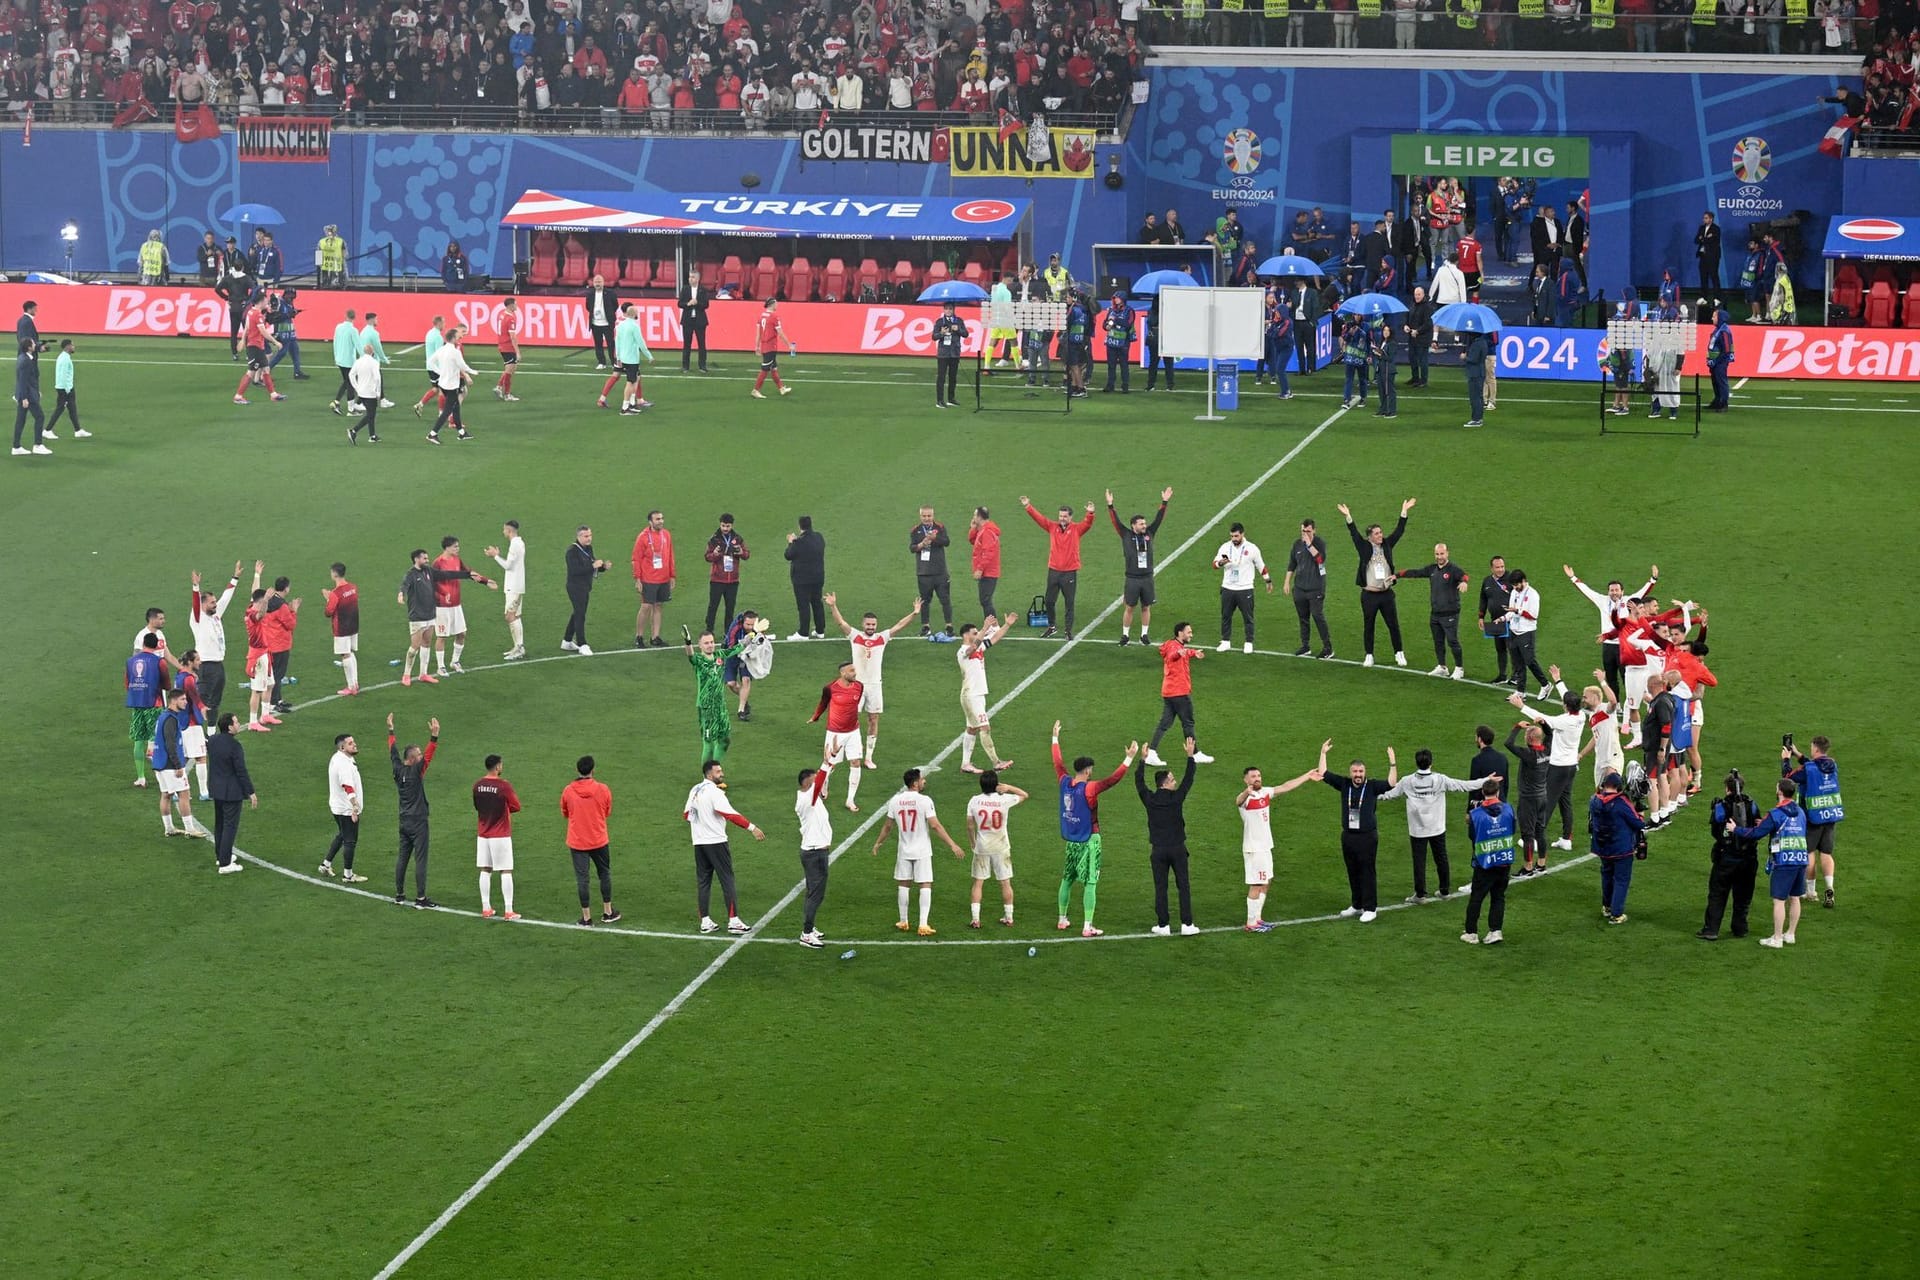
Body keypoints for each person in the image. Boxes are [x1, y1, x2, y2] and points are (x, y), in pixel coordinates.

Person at [1051, 722, 1136, 938]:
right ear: (1087, 770)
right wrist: (1129, 758)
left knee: (1067, 879)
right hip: (1089, 840)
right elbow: (1112, 780)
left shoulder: (1064, 782)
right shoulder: (1090, 788)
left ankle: (1062, 919)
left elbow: (1058, 763)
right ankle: (1087, 926)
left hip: (1071, 840)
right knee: (1090, 882)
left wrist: (1055, 738)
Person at [1381, 748, 1497, 903]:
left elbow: (1388, 794)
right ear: (1431, 763)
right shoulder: (1440, 780)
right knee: (1441, 858)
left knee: (1419, 861)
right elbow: (1464, 785)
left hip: (1417, 830)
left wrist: (1368, 793)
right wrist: (1485, 780)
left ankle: (1420, 895)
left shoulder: (1407, 781)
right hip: (1437, 828)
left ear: (1416, 763)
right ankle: (1444, 890)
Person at [825, 592, 920, 777]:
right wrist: (833, 606)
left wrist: (915, 613)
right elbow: (841, 623)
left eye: (873, 625)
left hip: (875, 685)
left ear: (876, 626)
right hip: (856, 686)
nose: (870, 627)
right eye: (868, 624)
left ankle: (868, 756)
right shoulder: (855, 636)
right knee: (848, 719)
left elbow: (899, 625)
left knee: (873, 719)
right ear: (863, 624)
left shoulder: (882, 638)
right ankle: (842, 751)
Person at [873, 767, 965, 936]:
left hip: (904, 849)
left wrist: (878, 842)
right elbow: (935, 825)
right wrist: (953, 845)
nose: (924, 781)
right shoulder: (925, 801)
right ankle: (923, 924)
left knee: (903, 884)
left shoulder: (895, 801)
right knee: (925, 884)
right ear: (915, 783)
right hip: (922, 850)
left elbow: (887, 826)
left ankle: (903, 921)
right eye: (922, 779)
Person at [1237, 760, 1324, 931]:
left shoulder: (1265, 793)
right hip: (1254, 849)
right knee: (1256, 884)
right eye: (1253, 776)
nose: (1257, 778)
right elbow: (1238, 801)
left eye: (1258, 775)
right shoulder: (1247, 798)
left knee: (1266, 881)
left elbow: (1285, 786)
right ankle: (1251, 923)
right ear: (1245, 780)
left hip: (1266, 846)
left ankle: (1258, 918)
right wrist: (1245, 793)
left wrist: (1307, 776)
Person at [1316, 738, 1398, 923]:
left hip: (1367, 836)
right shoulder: (1344, 784)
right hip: (1348, 835)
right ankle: (1357, 904)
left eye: (1360, 771)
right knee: (1352, 870)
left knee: (1367, 871)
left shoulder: (1372, 786)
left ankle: (1370, 908)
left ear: (1365, 772)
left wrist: (1392, 762)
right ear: (1350, 772)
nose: (1358, 774)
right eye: (1355, 771)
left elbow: (1391, 783)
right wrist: (1323, 753)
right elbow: (1323, 774)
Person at [1729, 778, 1811, 949]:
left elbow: (1755, 833)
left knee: (1779, 900)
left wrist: (1735, 829)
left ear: (1780, 791)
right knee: (1795, 898)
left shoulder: (1776, 813)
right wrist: (1767, 824)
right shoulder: (1801, 811)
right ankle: (1790, 934)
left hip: (1784, 861)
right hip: (1801, 858)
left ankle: (1777, 938)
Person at [1510, 679, 1585, 853]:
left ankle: (1535, 840)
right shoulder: (1581, 715)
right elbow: (1569, 699)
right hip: (1571, 765)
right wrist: (1558, 681)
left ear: (1566, 706)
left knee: (1548, 802)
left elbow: (1542, 718)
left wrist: (1521, 706)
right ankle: (1567, 839)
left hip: (1558, 767)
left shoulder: (1563, 721)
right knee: (1565, 801)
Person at [1338, 498, 1413, 667]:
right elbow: (1354, 534)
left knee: (1393, 625)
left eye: (1381, 532)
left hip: (1386, 594)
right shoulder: (1364, 547)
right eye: (1377, 534)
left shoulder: (1387, 545)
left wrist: (1404, 511)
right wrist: (1348, 516)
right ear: (1370, 537)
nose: (1381, 535)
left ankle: (1399, 653)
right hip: (1369, 595)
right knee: (1369, 625)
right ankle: (1369, 655)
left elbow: (1399, 531)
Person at [1136, 740, 1201, 936]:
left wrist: (1142, 761)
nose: (1175, 781)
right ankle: (1187, 925)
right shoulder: (1176, 798)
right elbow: (1189, 779)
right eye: (1172, 779)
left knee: (1160, 887)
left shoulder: (1150, 799)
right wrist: (1190, 757)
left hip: (1158, 850)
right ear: (1165, 783)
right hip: (1178, 849)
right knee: (1184, 886)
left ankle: (1163, 925)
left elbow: (1139, 782)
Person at [1143, 622, 1217, 767]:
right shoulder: (1174, 648)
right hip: (1179, 693)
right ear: (1180, 633)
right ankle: (1195, 753)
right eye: (1188, 632)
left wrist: (1193, 653)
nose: (1191, 635)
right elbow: (1172, 656)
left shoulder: (1174, 644)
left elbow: (1182, 652)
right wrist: (1178, 654)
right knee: (1188, 723)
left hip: (1169, 692)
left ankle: (1151, 753)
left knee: (1164, 724)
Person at [1698, 769, 1760, 941]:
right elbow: (1757, 825)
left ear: (1727, 788)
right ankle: (1740, 928)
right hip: (1748, 858)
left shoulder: (1721, 806)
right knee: (1743, 895)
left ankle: (1711, 929)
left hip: (1727, 858)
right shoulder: (1752, 804)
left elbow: (1715, 830)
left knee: (1718, 893)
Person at [1022, 496, 1095, 640]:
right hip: (1054, 571)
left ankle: (1068, 631)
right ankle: (1052, 626)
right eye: (1060, 516)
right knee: (1049, 601)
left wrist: (1090, 513)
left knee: (1069, 603)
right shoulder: (1052, 527)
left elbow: (1087, 524)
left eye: (1065, 516)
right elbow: (1039, 519)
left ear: (1070, 517)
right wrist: (1028, 506)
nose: (1062, 518)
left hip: (1069, 572)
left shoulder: (1076, 529)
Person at [387, 711, 440, 910]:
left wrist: (391, 730)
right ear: (411, 759)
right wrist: (434, 736)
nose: (420, 757)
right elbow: (429, 755)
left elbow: (392, 751)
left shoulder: (398, 769)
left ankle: (400, 895)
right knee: (420, 859)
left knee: (402, 857)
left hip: (404, 819)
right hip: (418, 821)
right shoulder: (417, 771)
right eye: (417, 755)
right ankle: (420, 898)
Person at [1783, 735, 1842, 908]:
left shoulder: (1809, 770)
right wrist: (1798, 755)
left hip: (1812, 816)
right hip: (1830, 813)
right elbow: (1815, 766)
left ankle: (1811, 891)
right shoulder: (1832, 765)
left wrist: (1786, 759)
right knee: (1826, 853)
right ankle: (1830, 887)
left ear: (1815, 748)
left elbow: (1788, 776)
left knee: (1809, 853)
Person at [428, 535, 499, 677]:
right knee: (442, 636)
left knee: (462, 633)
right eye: (455, 546)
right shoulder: (438, 563)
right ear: (447, 548)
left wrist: (486, 581)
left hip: (456, 604)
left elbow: (469, 573)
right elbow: (431, 583)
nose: (458, 548)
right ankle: (441, 667)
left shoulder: (456, 559)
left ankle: (455, 661)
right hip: (442, 605)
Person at [1108, 486, 1170, 646]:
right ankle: (1125, 635)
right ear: (1133, 525)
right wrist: (1110, 506)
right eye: (1141, 524)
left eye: (1144, 523)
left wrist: (1164, 502)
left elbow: (1159, 519)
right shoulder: (1126, 535)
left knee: (1146, 607)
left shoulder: (1150, 533)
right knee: (1129, 607)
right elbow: (1116, 522)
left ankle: (1144, 635)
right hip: (1132, 578)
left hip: (1147, 577)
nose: (1144, 525)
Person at [1397, 542, 1470, 678]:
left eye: (1442, 554)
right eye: (1437, 554)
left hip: (1450, 613)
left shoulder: (1453, 569)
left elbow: (1464, 575)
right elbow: (1416, 573)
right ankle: (1442, 667)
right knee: (1438, 641)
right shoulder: (1432, 569)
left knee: (1452, 641)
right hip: (1435, 613)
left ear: (1447, 553)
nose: (1439, 557)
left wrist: (1464, 582)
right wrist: (1397, 575)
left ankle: (1459, 668)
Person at [957, 612, 1019, 774]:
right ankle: (996, 762)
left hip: (977, 694)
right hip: (971, 695)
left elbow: (995, 638)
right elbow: (971, 649)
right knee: (985, 727)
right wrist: (984, 628)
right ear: (965, 635)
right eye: (974, 633)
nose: (977, 634)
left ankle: (965, 764)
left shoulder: (979, 647)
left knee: (972, 728)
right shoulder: (962, 651)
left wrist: (1007, 625)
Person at [966, 770, 1028, 928]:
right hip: (1001, 846)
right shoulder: (1004, 800)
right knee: (1005, 882)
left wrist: (972, 842)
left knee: (978, 883)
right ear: (996, 785)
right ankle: (1009, 917)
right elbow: (1024, 795)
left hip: (982, 846)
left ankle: (975, 919)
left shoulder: (974, 801)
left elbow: (970, 825)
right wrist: (1009, 787)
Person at [563, 754, 618, 926]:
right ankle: (608, 912)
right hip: (599, 839)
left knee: (582, 879)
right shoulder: (603, 789)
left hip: (578, 841)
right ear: (593, 770)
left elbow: (565, 812)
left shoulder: (568, 791)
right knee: (604, 874)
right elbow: (607, 812)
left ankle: (586, 917)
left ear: (577, 770)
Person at [1460, 779, 1516, 945]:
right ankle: (1495, 931)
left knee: (1477, 897)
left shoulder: (1475, 815)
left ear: (1483, 793)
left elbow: (1472, 835)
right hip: (1504, 860)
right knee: (1498, 896)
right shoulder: (1509, 809)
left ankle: (1471, 932)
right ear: (1497, 792)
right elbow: (1513, 829)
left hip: (1485, 861)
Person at [151, 688, 211, 840]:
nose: (186, 702)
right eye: (183, 699)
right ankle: (190, 829)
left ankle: (169, 828)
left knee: (166, 795)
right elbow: (170, 744)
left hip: (159, 762)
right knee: (184, 794)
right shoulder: (170, 719)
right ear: (173, 701)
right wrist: (178, 765)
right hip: (170, 764)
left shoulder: (164, 716)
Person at [188, 563, 243, 728]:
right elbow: (196, 604)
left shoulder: (215, 615)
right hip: (204, 665)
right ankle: (195, 729)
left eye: (214, 602)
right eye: (212, 602)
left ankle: (210, 732)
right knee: (202, 700)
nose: (215, 604)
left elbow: (226, 597)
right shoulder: (198, 618)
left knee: (215, 700)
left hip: (218, 664)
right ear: (204, 604)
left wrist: (235, 578)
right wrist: (196, 586)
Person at [1589, 770, 1646, 925]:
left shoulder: (1594, 800)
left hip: (1602, 848)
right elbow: (1638, 823)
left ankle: (1607, 907)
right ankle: (1616, 913)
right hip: (1621, 849)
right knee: (1621, 880)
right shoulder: (1621, 803)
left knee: (1607, 876)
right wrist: (1640, 813)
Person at [684, 625, 744, 768]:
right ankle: (707, 779)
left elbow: (736, 649)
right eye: (706, 643)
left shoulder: (719, 656)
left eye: (711, 642)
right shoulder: (698, 660)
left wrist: (752, 636)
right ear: (700, 645)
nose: (710, 645)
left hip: (720, 705)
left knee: (725, 740)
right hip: (706, 707)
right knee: (709, 743)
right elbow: (690, 655)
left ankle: (715, 771)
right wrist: (687, 642)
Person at [205, 713, 257, 875]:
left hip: (216, 789)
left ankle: (221, 856)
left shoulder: (212, 741)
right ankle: (225, 863)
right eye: (236, 722)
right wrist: (251, 792)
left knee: (220, 824)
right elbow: (241, 771)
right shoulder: (235, 746)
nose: (238, 724)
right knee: (229, 826)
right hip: (231, 792)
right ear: (229, 727)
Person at [472, 753, 521, 920]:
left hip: (483, 833)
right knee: (506, 870)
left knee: (485, 869)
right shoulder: (503, 786)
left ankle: (486, 908)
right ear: (498, 767)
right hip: (500, 834)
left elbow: (477, 806)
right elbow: (516, 805)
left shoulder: (477, 785)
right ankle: (509, 910)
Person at [793, 759, 836, 947]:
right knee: (815, 894)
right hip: (815, 853)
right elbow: (819, 782)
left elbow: (821, 782)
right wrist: (826, 764)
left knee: (813, 892)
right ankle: (807, 933)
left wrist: (830, 761)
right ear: (808, 783)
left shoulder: (812, 799)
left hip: (815, 851)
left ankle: (810, 928)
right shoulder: (806, 799)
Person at [1212, 521, 1273, 654]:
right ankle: (1226, 641)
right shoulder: (1225, 547)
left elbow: (1261, 566)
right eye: (1232, 536)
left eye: (1236, 536)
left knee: (1248, 617)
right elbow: (1214, 564)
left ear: (1242, 534)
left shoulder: (1252, 548)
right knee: (1226, 616)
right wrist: (1221, 562)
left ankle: (1249, 642)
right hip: (1228, 587)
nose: (1234, 539)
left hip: (1245, 588)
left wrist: (1268, 580)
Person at [1504, 719, 1550, 876]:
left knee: (1528, 834)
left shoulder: (1529, 754)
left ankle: (1528, 867)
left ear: (1530, 739)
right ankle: (1541, 864)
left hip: (1529, 799)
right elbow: (1550, 734)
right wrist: (1543, 723)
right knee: (1540, 831)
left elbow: (1508, 744)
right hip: (1543, 796)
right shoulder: (1546, 750)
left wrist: (1517, 727)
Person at [1283, 518, 1333, 658]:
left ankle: (1328, 648)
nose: (1305, 534)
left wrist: (1309, 545)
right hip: (1299, 588)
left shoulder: (1319, 543)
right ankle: (1305, 646)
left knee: (1317, 616)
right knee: (1303, 618)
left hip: (1316, 588)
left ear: (1314, 531)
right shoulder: (1297, 545)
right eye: (1303, 531)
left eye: (1308, 531)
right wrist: (1287, 582)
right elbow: (1292, 564)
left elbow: (1320, 560)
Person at [322, 731, 367, 883]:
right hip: (346, 809)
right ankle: (348, 875)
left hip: (337, 806)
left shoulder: (339, 758)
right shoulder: (344, 765)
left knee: (342, 834)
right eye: (350, 743)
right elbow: (347, 786)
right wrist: (354, 806)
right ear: (342, 747)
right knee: (350, 840)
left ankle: (326, 865)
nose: (354, 744)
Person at [560, 526, 611, 657]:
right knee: (580, 614)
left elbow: (591, 565)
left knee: (578, 612)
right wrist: (592, 566)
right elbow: (574, 570)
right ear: (578, 537)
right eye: (586, 536)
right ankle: (582, 644)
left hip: (585, 587)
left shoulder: (588, 548)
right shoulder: (572, 551)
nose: (589, 538)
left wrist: (603, 567)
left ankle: (567, 641)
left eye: (590, 535)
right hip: (575, 587)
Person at [125, 632, 166, 786]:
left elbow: (127, 682)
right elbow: (166, 683)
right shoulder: (158, 662)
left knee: (138, 739)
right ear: (156, 646)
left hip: (136, 704)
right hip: (154, 703)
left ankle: (141, 777)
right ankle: (161, 777)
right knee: (156, 739)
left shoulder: (130, 661)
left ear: (143, 645)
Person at [598, 303, 654, 414]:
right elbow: (641, 343)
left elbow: (616, 341)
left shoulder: (620, 325)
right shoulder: (634, 326)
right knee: (631, 380)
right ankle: (627, 405)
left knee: (631, 377)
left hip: (621, 357)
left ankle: (631, 402)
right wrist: (649, 356)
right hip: (631, 358)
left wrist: (617, 357)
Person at [631, 510, 676, 648]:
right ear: (650, 522)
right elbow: (636, 559)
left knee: (658, 605)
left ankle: (655, 637)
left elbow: (670, 555)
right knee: (646, 606)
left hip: (663, 578)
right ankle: (639, 636)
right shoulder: (643, 537)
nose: (661, 521)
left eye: (662, 518)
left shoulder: (666, 535)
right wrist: (637, 578)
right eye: (657, 519)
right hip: (648, 578)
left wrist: (672, 575)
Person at [231, 295, 284, 406]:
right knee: (251, 372)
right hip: (255, 347)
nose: (267, 302)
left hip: (256, 346)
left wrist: (243, 340)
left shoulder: (251, 312)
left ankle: (273, 394)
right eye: (266, 301)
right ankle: (238, 396)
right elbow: (263, 332)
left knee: (266, 369)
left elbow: (247, 327)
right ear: (261, 302)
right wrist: (276, 342)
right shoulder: (257, 315)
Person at [426, 323, 476, 443]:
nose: (459, 337)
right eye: (458, 336)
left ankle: (461, 433)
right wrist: (472, 372)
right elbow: (462, 365)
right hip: (451, 385)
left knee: (456, 407)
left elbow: (431, 362)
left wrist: (440, 372)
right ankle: (432, 434)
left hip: (443, 384)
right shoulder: (455, 352)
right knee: (448, 410)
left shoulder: (442, 350)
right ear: (453, 338)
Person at [486, 520, 528, 661]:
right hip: (515, 586)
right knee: (514, 616)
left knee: (510, 617)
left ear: (509, 530)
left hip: (514, 587)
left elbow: (508, 566)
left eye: (504, 529)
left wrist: (495, 556)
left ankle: (520, 648)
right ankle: (517, 647)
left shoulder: (515, 545)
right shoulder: (518, 543)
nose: (503, 532)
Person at [909, 506, 954, 635]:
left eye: (929, 516)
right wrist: (921, 545)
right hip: (923, 572)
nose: (927, 518)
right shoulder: (916, 530)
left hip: (940, 571)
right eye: (924, 516)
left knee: (945, 599)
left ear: (933, 516)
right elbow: (912, 548)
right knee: (925, 601)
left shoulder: (940, 527)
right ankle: (925, 626)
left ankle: (949, 626)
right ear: (920, 516)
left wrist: (935, 538)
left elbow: (946, 542)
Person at [702, 513, 749, 634]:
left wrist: (740, 552)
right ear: (720, 524)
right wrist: (715, 554)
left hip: (733, 580)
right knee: (713, 606)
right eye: (723, 526)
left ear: (731, 525)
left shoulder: (738, 538)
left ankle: (728, 632)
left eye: (727, 526)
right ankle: (709, 630)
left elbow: (747, 555)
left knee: (730, 608)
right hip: (717, 579)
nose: (725, 529)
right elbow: (707, 557)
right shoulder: (714, 539)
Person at [784, 515, 827, 640]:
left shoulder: (798, 542)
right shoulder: (819, 537)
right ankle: (820, 631)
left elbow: (788, 555)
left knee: (803, 605)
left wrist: (791, 542)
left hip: (802, 580)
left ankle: (803, 633)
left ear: (800, 526)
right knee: (817, 603)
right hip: (818, 577)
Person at [324, 562, 361, 696]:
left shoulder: (335, 593)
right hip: (354, 625)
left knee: (345, 655)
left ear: (334, 574)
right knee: (350, 652)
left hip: (342, 627)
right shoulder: (353, 587)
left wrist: (328, 599)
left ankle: (351, 687)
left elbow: (328, 612)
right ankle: (355, 683)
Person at [44, 339, 89, 440]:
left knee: (72, 409)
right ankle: (47, 430)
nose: (74, 347)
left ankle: (78, 430)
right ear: (67, 346)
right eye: (72, 345)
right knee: (60, 409)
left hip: (65, 388)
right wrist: (67, 390)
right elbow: (63, 375)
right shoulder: (65, 359)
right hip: (65, 389)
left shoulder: (63, 357)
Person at [1478, 555, 1513, 683]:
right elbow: (1483, 599)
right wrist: (1481, 617)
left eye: (1502, 566)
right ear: (1491, 568)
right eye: (1497, 567)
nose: (1500, 570)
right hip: (1495, 620)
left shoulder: (1511, 579)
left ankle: (1516, 676)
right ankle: (1502, 675)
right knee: (1500, 648)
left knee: (1513, 648)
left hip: (1511, 620)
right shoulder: (1487, 581)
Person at [749, 298, 792, 398]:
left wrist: (757, 346)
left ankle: (781, 388)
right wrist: (788, 345)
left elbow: (758, 333)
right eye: (776, 304)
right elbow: (780, 333)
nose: (777, 305)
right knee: (765, 369)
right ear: (772, 304)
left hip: (764, 345)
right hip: (770, 346)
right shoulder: (774, 317)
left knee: (773, 368)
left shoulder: (761, 316)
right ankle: (755, 390)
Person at [968, 506, 1001, 619]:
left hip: (988, 572)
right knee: (985, 600)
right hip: (987, 571)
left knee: (985, 600)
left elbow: (989, 553)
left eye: (974, 515)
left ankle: (993, 627)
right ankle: (991, 626)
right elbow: (973, 541)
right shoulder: (983, 530)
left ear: (979, 517)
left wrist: (980, 569)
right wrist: (973, 528)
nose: (973, 517)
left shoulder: (987, 531)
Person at [347, 337, 383, 443]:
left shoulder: (358, 361)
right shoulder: (374, 363)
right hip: (370, 392)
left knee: (370, 413)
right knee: (371, 415)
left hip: (361, 392)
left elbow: (351, 374)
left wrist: (356, 386)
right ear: (372, 352)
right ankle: (354, 431)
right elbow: (377, 378)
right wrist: (378, 392)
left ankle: (372, 436)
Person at [932, 299, 967, 408]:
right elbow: (934, 337)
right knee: (941, 377)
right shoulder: (939, 322)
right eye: (946, 309)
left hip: (955, 353)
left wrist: (958, 330)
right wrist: (941, 333)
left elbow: (965, 334)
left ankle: (951, 399)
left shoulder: (959, 321)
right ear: (944, 310)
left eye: (950, 309)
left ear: (953, 310)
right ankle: (940, 400)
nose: (948, 311)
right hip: (943, 353)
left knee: (953, 377)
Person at [583, 272, 620, 369]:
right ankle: (601, 362)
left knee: (611, 343)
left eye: (599, 281)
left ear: (603, 282)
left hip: (607, 323)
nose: (598, 283)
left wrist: (610, 315)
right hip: (595, 323)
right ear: (593, 283)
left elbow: (615, 305)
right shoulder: (590, 294)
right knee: (598, 344)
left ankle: (614, 362)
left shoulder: (610, 293)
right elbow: (588, 307)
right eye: (596, 282)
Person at [1101, 292, 1135, 394]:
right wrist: (1106, 326)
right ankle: (1110, 385)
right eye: (1114, 298)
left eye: (1117, 298)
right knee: (1111, 365)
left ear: (1123, 299)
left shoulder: (1129, 310)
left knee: (1124, 365)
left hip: (1123, 342)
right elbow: (1105, 323)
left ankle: (1125, 386)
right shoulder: (1111, 310)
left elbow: (1128, 324)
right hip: (1111, 341)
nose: (1115, 300)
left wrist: (1116, 320)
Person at [490, 297, 522, 403]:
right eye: (515, 304)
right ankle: (507, 394)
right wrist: (517, 351)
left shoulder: (502, 315)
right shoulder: (510, 318)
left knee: (511, 368)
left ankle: (499, 387)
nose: (517, 306)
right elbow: (513, 336)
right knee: (510, 370)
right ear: (510, 305)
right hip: (508, 347)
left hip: (502, 345)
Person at [678, 269, 710, 371]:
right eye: (690, 277)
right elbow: (679, 303)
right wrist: (688, 304)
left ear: (698, 279)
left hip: (700, 321)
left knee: (702, 344)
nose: (690, 279)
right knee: (687, 344)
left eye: (693, 277)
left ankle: (702, 366)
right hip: (687, 320)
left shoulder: (703, 290)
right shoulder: (685, 289)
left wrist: (697, 303)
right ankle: (685, 366)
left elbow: (706, 305)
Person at [1369, 314, 1398, 419]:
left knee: (1389, 391)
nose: (1385, 332)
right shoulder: (1382, 342)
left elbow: (1390, 357)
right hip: (1381, 369)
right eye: (1384, 330)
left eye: (1387, 331)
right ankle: (1383, 409)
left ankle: (1392, 411)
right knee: (1381, 391)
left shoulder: (1392, 343)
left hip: (1388, 370)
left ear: (1390, 332)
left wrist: (1379, 353)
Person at [1706, 308, 1734, 412]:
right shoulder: (1718, 329)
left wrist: (1717, 360)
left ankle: (1723, 403)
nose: (1712, 318)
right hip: (1714, 361)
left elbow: (1726, 349)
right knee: (1715, 382)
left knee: (1721, 382)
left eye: (1714, 316)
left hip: (1720, 362)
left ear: (1720, 318)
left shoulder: (1724, 331)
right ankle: (1717, 400)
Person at [1405, 286, 1433, 388]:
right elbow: (1407, 317)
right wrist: (1406, 325)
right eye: (1415, 294)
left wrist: (1418, 331)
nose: (1416, 296)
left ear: (1423, 294)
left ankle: (1424, 380)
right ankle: (1415, 378)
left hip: (1423, 338)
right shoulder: (1412, 304)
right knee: (1412, 358)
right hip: (1412, 337)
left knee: (1422, 360)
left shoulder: (1427, 307)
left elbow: (1428, 324)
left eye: (1418, 294)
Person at [1461, 326, 1489, 428]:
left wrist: (1465, 357)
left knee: (1475, 397)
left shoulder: (1477, 344)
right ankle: (1479, 418)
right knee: (1479, 396)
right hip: (1480, 372)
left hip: (1475, 373)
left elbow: (1473, 359)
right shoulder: (1483, 342)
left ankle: (1476, 419)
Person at [1694, 211, 1722, 293]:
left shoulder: (1716, 229)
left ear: (1711, 219)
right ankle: (1704, 297)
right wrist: (1705, 238)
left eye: (1706, 218)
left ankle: (1717, 298)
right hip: (1702, 256)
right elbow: (1696, 240)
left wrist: (1702, 238)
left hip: (1713, 257)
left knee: (1714, 277)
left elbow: (1714, 241)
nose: (1704, 220)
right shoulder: (1701, 228)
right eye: (1703, 218)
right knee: (1703, 277)